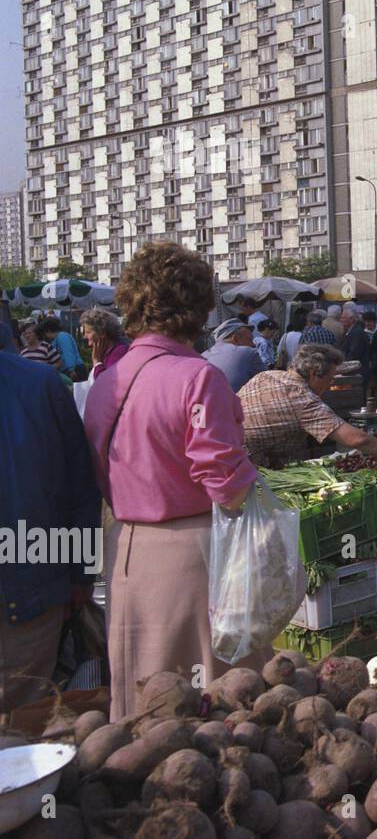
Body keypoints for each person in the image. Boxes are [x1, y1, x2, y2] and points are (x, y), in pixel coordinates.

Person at [84, 243, 264, 722]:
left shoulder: (107, 379)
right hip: (192, 556)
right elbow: (225, 482)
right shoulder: (197, 377)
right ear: (199, 307)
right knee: (206, 709)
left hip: (124, 553)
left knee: (142, 706)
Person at [0, 355, 101, 713]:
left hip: (29, 596)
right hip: (34, 584)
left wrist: (82, 573)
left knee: (21, 729)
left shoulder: (40, 385)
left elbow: (81, 488)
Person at [238, 343, 377, 469]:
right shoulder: (303, 399)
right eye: (330, 379)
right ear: (313, 374)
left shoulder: (266, 375)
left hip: (223, 452)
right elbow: (357, 439)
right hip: (248, 466)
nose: (330, 385)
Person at [202, 317, 265, 394]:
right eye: (250, 339)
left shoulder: (202, 355)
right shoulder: (249, 352)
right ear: (235, 339)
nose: (253, 345)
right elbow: (269, 383)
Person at [80, 308, 129, 382]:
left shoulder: (119, 352)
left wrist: (97, 362)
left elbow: (105, 384)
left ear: (102, 332)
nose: (84, 336)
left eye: (88, 332)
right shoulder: (105, 352)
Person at [339, 303, 371, 393]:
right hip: (356, 372)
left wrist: (343, 364)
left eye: (343, 318)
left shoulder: (357, 333)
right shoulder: (352, 331)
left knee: (358, 397)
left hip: (358, 372)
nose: (341, 320)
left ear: (352, 319)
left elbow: (354, 354)